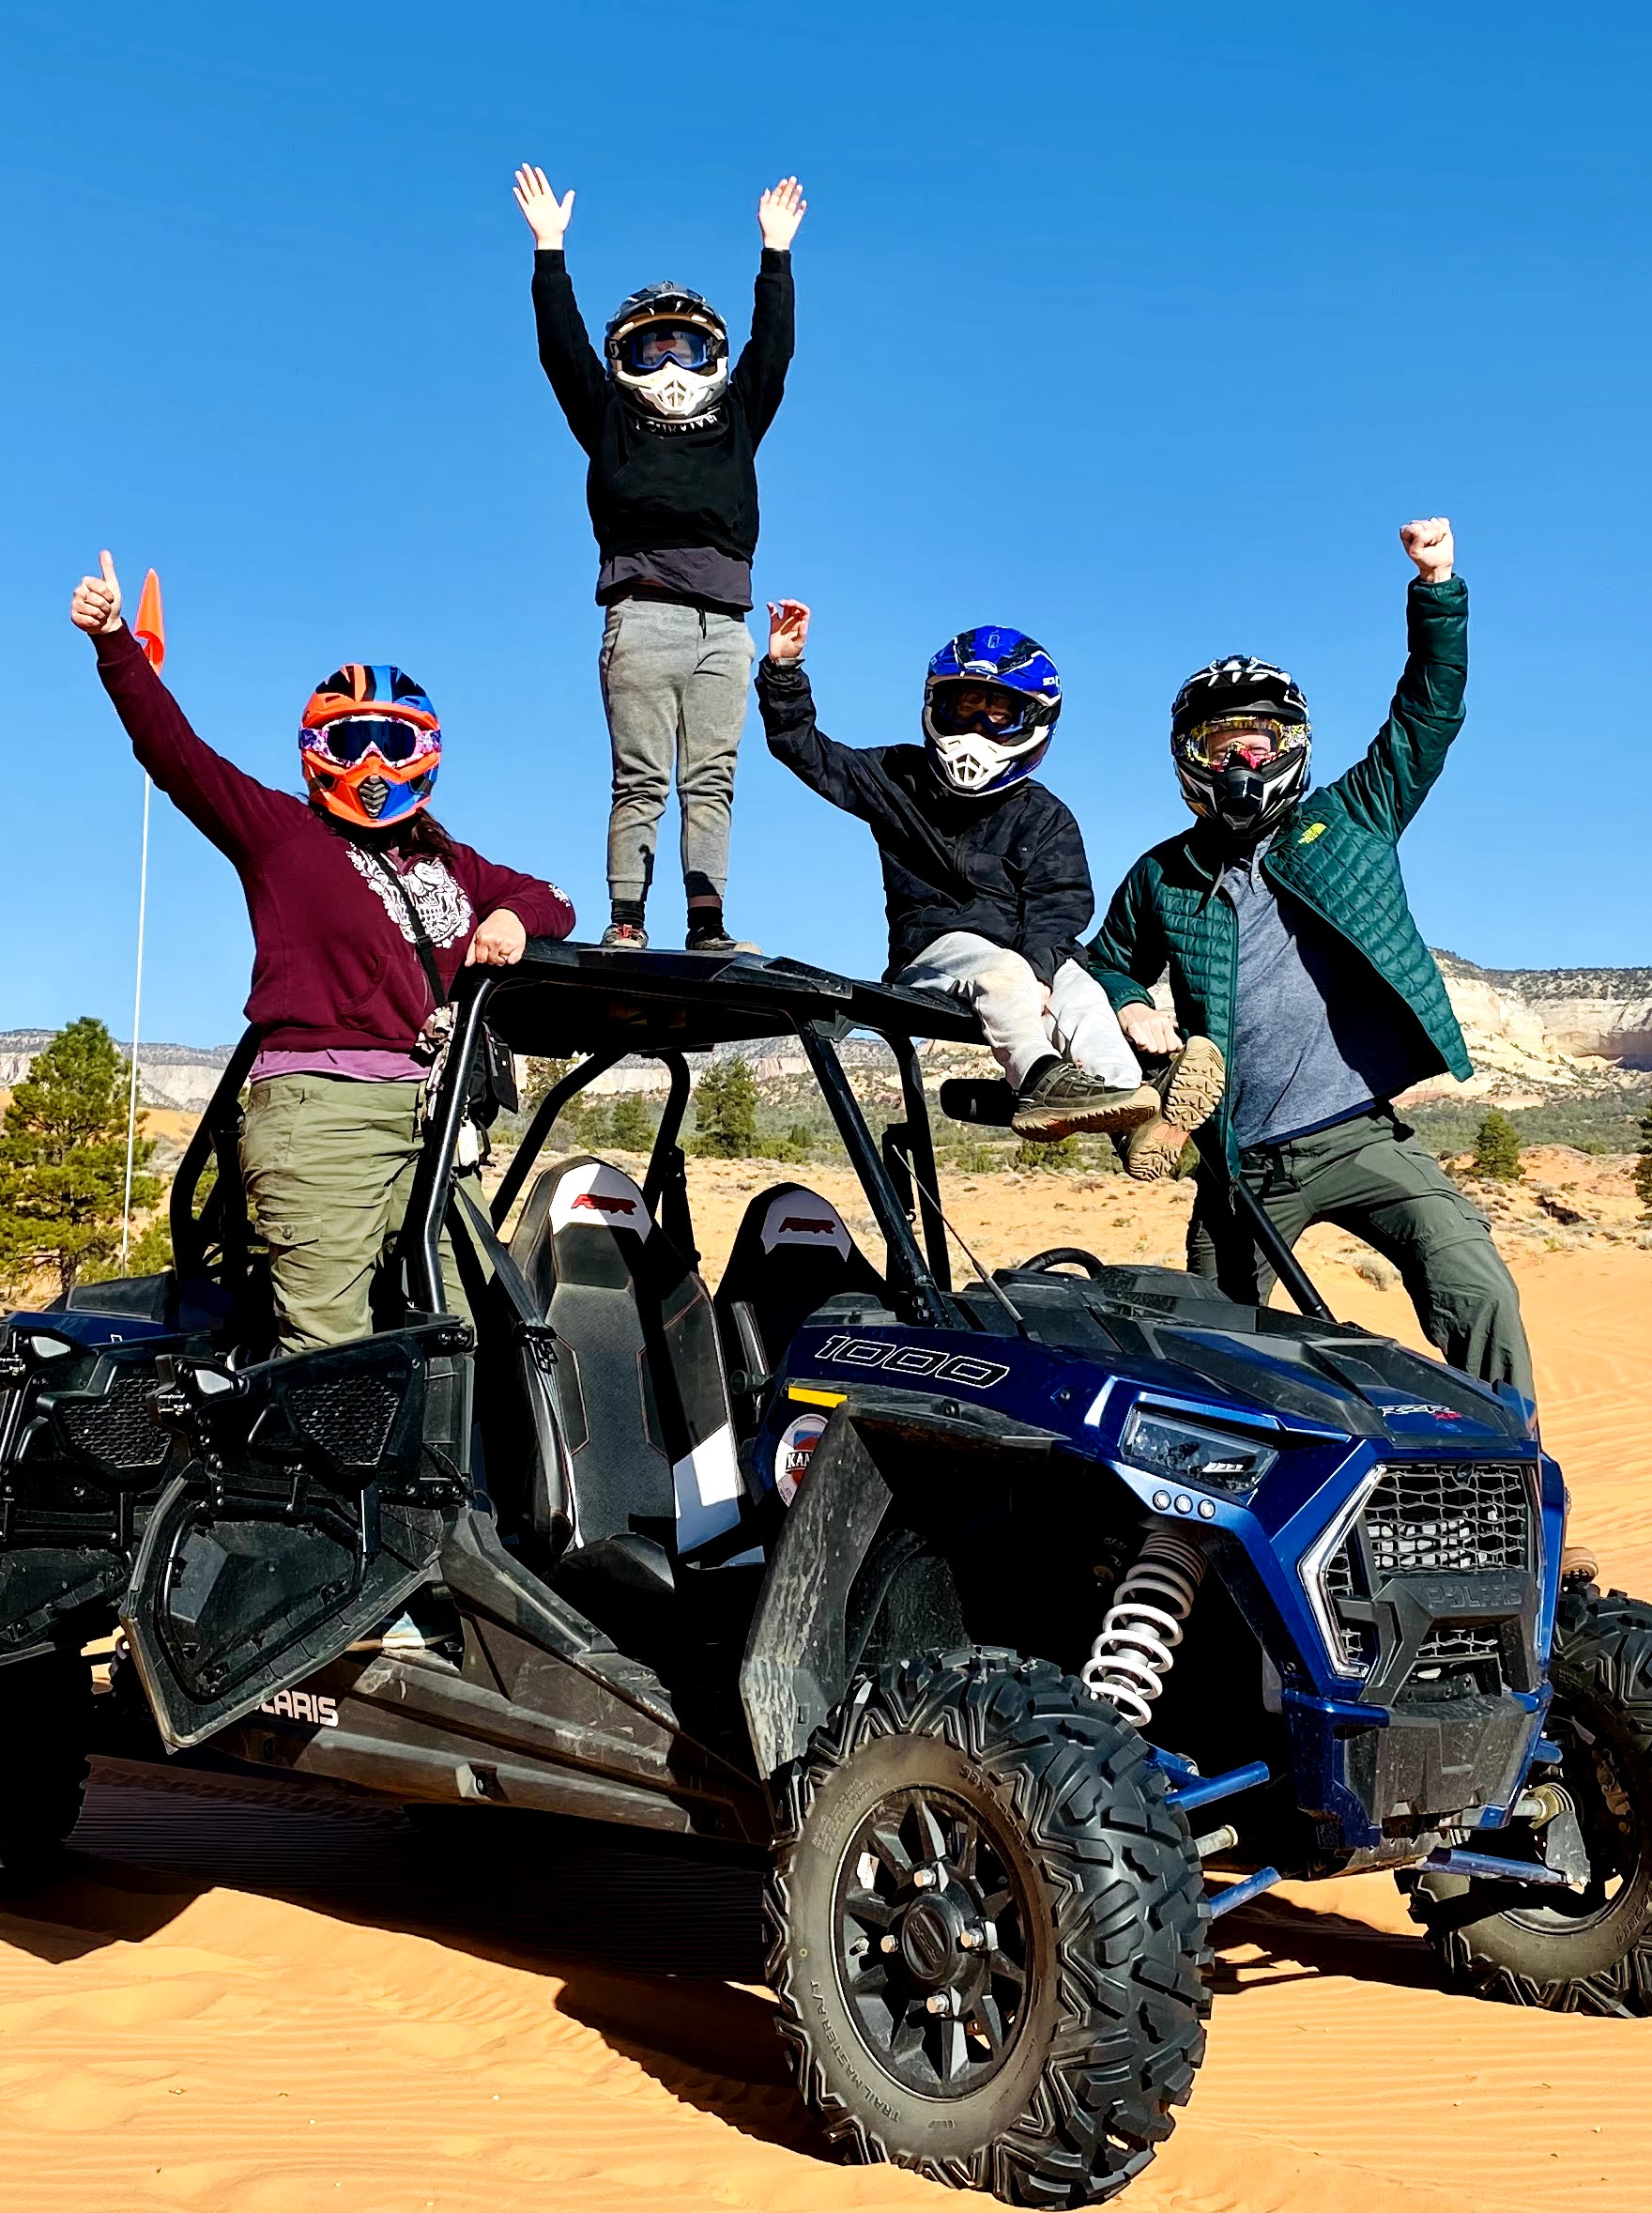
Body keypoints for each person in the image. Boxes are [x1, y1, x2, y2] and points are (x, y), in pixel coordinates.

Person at [70, 553, 574, 1351]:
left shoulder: (454, 863)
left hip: (435, 1121)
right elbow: (176, 755)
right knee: (331, 1353)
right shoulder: (281, 835)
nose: (373, 765)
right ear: (316, 750)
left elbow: (555, 898)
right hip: (320, 1113)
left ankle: (440, 1478)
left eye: (391, 740)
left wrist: (511, 918)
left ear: (427, 750)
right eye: (352, 741)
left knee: (463, 1338)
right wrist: (114, 644)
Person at [1078, 518, 1536, 1391]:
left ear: (1292, 745)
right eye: (1224, 744)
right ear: (1192, 758)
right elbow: (1106, 961)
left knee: (1474, 1284)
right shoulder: (1163, 873)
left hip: (1360, 1135)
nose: (1245, 758)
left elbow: (1428, 713)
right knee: (1214, 1354)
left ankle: (1513, 1479)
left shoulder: (1351, 818)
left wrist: (1437, 588)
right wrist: (1130, 1002)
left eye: (1261, 740)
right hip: (1240, 1159)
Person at [514, 160, 804, 952]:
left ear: (710, 353)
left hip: (726, 626)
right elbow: (559, 350)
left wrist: (774, 255)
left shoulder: (739, 413)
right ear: (623, 359)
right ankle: (628, 921)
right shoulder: (608, 417)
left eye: (682, 348)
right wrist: (550, 251)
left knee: (713, 779)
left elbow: (774, 349)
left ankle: (707, 926)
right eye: (650, 350)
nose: (669, 366)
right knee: (640, 778)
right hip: (639, 616)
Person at [755, 602, 1154, 1141]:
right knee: (1005, 971)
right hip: (932, 956)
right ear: (935, 704)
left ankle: (1127, 1102)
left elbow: (1059, 908)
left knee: (1081, 990)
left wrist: (1041, 969)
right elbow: (808, 752)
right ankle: (1040, 1083)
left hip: (1024, 958)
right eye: (964, 705)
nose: (976, 726)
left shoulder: (1046, 818)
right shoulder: (898, 777)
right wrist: (783, 673)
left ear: (1033, 722)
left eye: (997, 713)